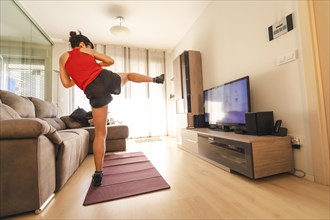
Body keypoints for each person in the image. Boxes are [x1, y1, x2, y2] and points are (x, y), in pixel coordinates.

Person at [59, 31, 164, 186]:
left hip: (92, 90)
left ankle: (98, 173)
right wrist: (97, 64)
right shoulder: (85, 50)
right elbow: (110, 61)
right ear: (82, 44)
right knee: (127, 75)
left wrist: (78, 76)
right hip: (104, 77)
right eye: (89, 46)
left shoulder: (63, 57)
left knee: (100, 133)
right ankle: (155, 79)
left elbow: (66, 84)